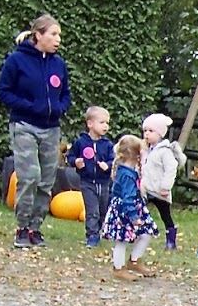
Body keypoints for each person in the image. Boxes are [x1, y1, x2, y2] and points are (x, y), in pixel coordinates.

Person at [0, 13, 72, 249]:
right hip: (24, 126)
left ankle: (35, 228)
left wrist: (59, 108)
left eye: (59, 34)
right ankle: (21, 228)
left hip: (51, 129)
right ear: (38, 35)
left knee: (46, 181)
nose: (58, 39)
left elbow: (66, 94)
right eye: (53, 34)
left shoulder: (58, 64)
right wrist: (31, 107)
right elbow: (3, 92)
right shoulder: (16, 61)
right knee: (29, 177)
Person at [102, 134, 159, 281]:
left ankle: (134, 261)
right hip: (126, 210)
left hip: (134, 206)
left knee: (147, 232)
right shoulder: (126, 175)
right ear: (136, 154)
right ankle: (118, 268)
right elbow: (127, 198)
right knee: (122, 240)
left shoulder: (130, 171)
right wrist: (133, 217)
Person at [71, 105, 115, 249]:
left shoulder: (107, 145)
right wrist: (75, 162)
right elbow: (71, 156)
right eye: (102, 122)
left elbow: (113, 160)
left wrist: (107, 166)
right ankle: (92, 236)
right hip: (87, 182)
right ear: (90, 124)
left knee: (103, 210)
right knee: (92, 211)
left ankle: (102, 230)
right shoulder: (81, 142)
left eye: (107, 123)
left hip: (104, 183)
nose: (105, 126)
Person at [140, 113, 185, 250]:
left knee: (165, 215)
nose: (147, 134)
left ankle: (171, 238)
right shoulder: (146, 150)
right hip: (146, 189)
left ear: (160, 133)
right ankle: (138, 235)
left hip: (160, 191)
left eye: (151, 131)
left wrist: (165, 187)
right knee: (139, 211)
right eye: (145, 131)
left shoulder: (165, 151)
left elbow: (171, 169)